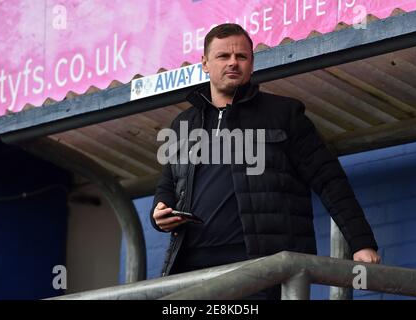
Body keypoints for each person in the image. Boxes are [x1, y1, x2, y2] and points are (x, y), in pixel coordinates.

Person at [151, 23, 380, 299]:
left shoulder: (284, 114)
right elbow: (168, 185)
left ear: (252, 64)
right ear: (205, 64)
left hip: (262, 268)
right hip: (192, 269)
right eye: (224, 56)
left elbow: (329, 179)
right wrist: (159, 212)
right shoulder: (183, 123)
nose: (233, 63)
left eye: (242, 57)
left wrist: (362, 242)